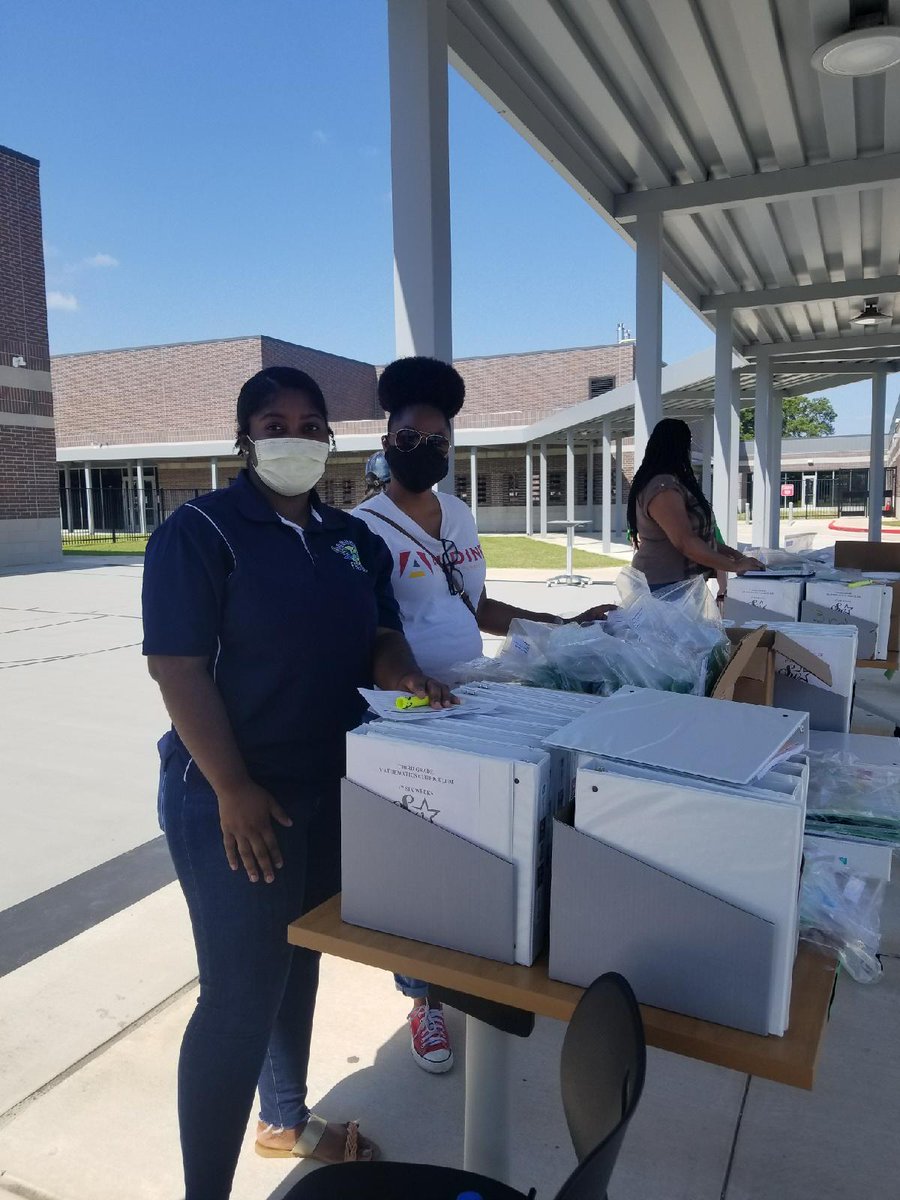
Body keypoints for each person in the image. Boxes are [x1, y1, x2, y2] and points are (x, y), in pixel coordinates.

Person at [142, 366, 453, 1199]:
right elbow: (177, 668)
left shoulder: (353, 539)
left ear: (329, 439)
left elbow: (380, 635)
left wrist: (406, 672)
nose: (295, 435)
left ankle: (284, 1119)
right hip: (232, 798)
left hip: (327, 788)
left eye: (311, 423)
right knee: (238, 997)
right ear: (245, 438)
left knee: (299, 961)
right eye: (274, 421)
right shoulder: (202, 531)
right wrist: (235, 789)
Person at [353, 355, 613, 1074]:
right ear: (386, 438)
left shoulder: (460, 515)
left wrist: (560, 624)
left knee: (475, 844)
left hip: (473, 696)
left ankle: (467, 971)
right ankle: (422, 1001)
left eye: (436, 438)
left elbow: (479, 608)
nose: (422, 448)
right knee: (421, 854)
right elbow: (371, 630)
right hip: (409, 707)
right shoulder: (363, 527)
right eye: (408, 436)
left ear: (449, 445)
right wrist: (408, 684)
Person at [628, 418, 763, 588]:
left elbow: (703, 540)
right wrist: (735, 566)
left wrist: (738, 557)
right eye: (688, 443)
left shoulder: (672, 482)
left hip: (680, 584)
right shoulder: (663, 488)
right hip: (663, 587)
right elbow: (685, 541)